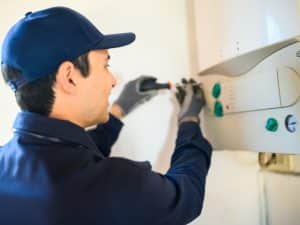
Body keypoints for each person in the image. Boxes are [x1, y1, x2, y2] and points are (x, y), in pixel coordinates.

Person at [0, 6, 212, 225]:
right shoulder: (113, 185)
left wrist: (118, 110)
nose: (113, 80)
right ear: (69, 77)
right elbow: (186, 197)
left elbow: (67, 158)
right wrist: (189, 121)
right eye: (105, 65)